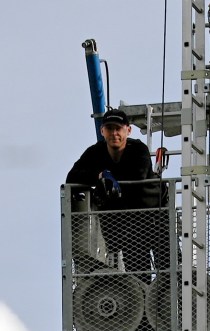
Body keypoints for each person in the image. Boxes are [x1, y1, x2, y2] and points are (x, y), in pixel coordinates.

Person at [66, 109, 169, 283]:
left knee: (168, 264)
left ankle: (169, 291)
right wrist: (99, 175)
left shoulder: (138, 149)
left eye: (118, 128)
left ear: (128, 130)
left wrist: (110, 178)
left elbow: (138, 177)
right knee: (138, 275)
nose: (114, 133)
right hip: (126, 223)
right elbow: (72, 178)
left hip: (153, 213)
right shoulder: (95, 152)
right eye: (109, 128)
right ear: (102, 131)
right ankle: (145, 296)